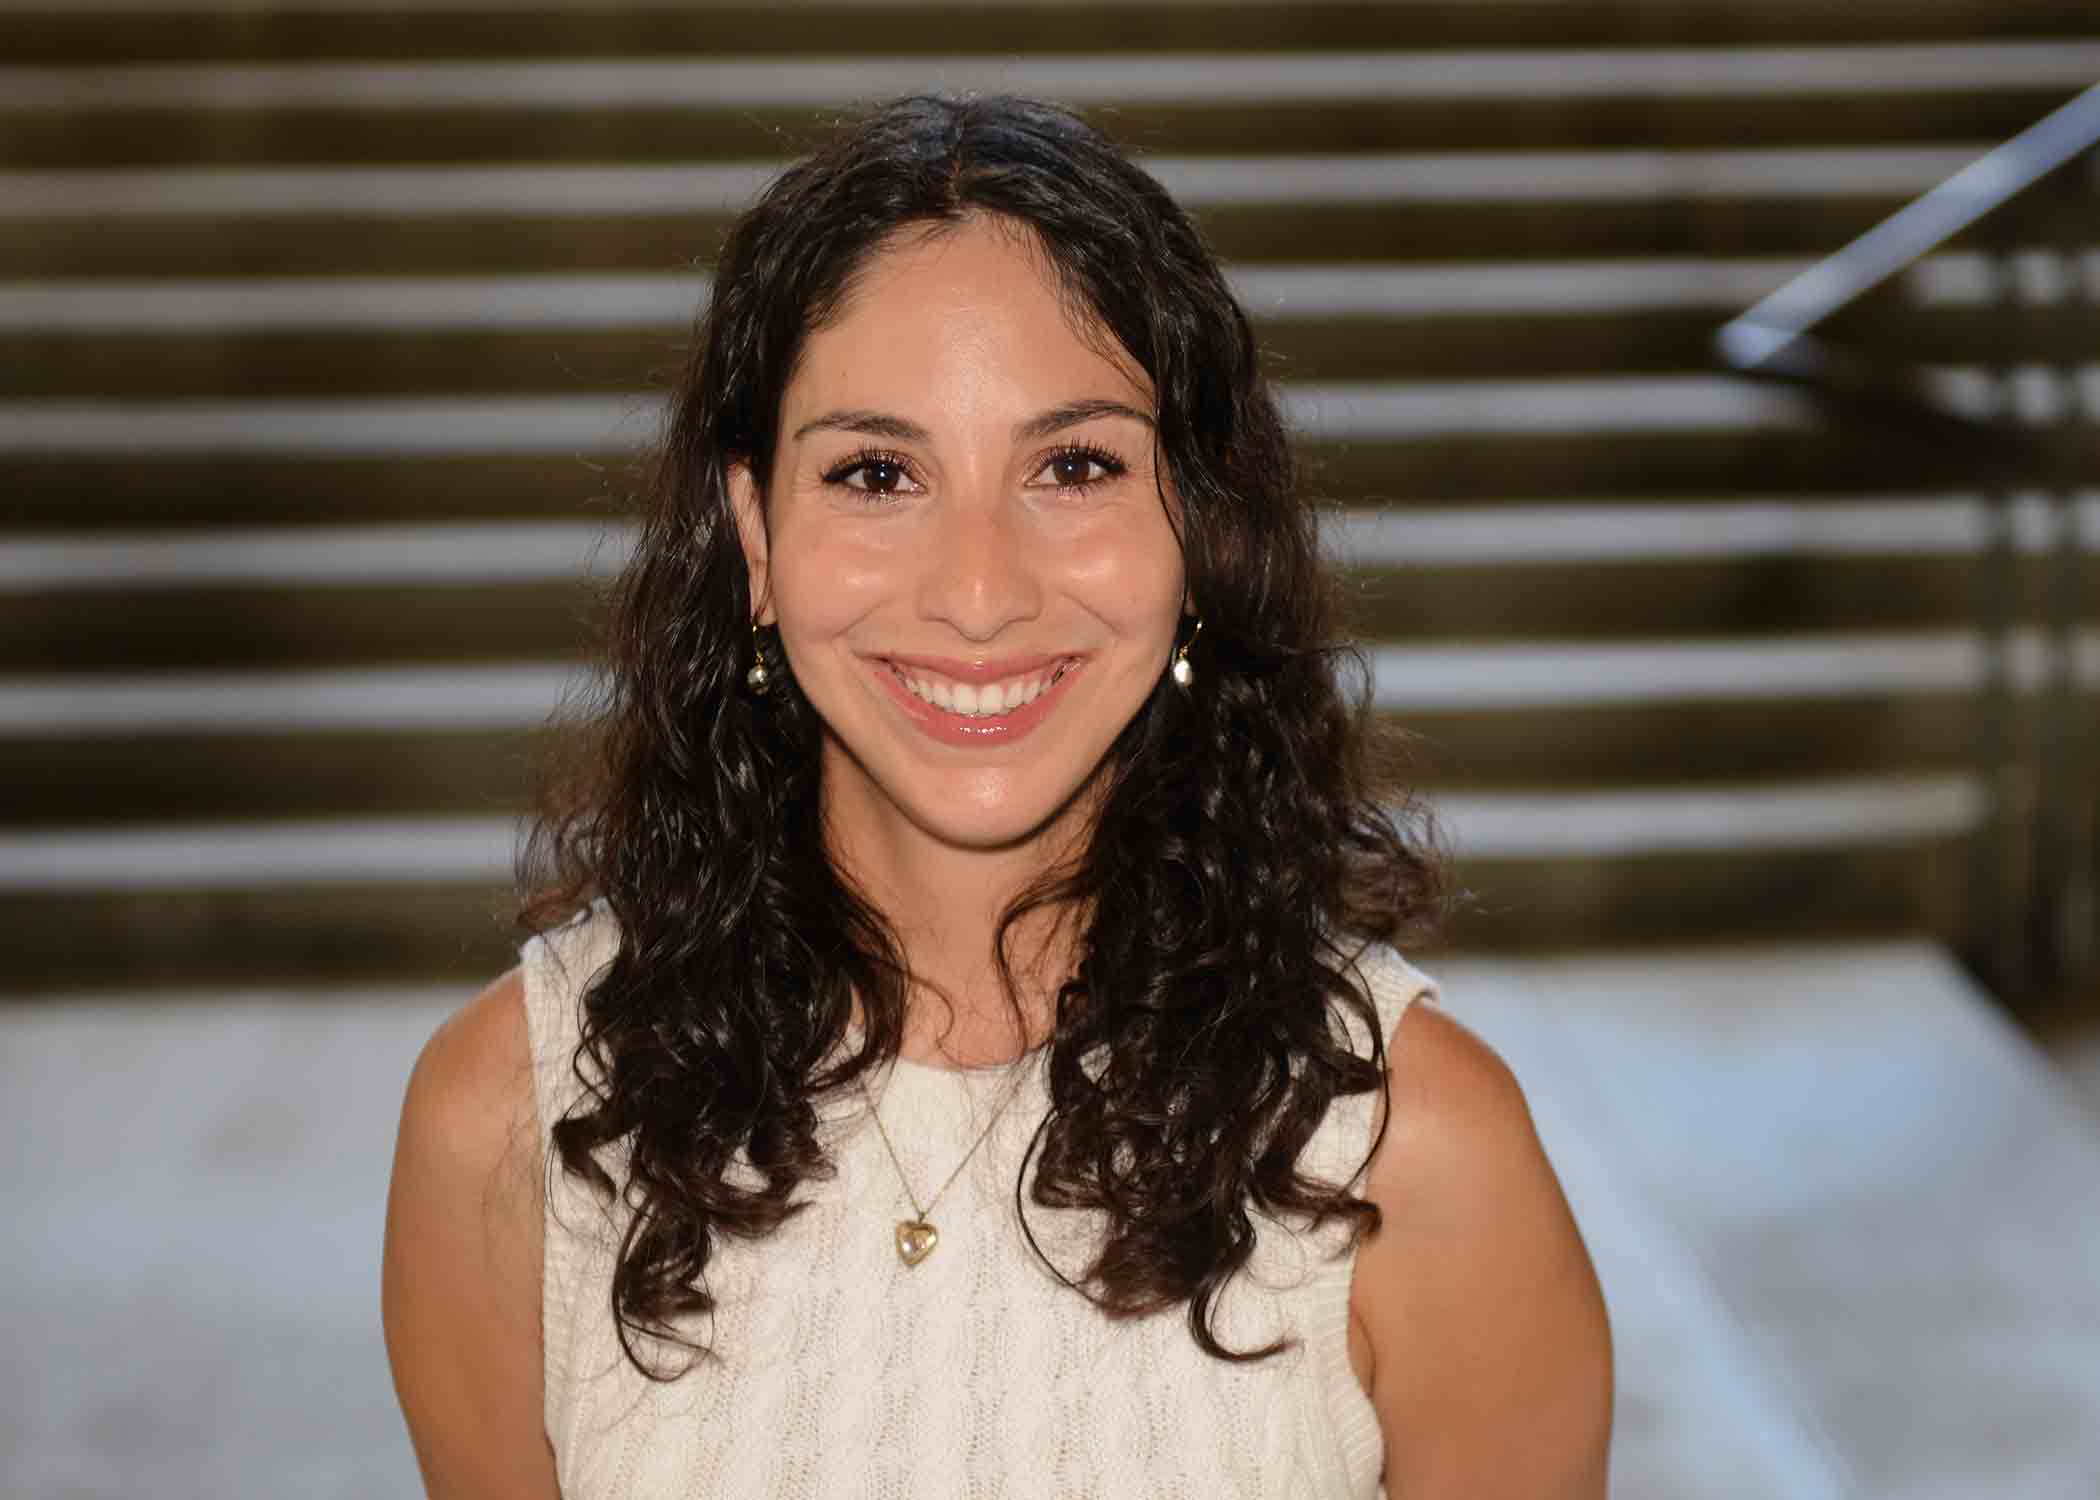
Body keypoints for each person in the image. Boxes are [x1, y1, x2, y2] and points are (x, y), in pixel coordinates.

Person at [381, 93, 1611, 1499]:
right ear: (758, 540)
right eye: (878, 472)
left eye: (1075, 465)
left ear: (1197, 534)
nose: (978, 592)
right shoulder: (508, 1124)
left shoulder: (1418, 1155)